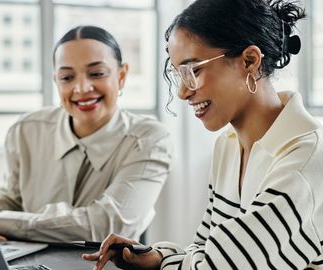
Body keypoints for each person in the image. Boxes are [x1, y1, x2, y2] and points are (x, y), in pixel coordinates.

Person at [84, 0, 323, 269]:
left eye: (194, 70)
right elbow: (205, 247)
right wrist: (157, 257)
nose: (183, 92)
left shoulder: (307, 161)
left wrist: (166, 264)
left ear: (250, 60)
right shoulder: (228, 146)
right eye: (178, 74)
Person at [0, 25, 172, 242]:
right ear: (56, 82)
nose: (82, 88)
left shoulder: (149, 139)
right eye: (67, 78)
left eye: (96, 74)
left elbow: (108, 227)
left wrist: (0, 222)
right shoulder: (26, 131)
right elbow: (10, 200)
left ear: (121, 76)